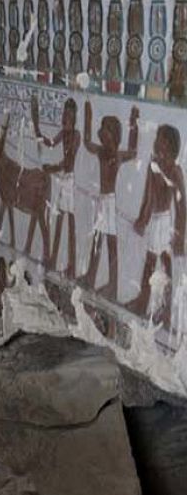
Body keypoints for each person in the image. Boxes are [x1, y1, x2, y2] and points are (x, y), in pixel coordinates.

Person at [79, 102, 139, 298]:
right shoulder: (102, 152)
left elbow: (133, 151)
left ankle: (113, 284)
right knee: (98, 238)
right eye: (102, 132)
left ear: (113, 135)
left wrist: (134, 124)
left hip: (109, 203)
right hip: (102, 202)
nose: (102, 135)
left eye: (105, 132)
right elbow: (87, 142)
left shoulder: (116, 155)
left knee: (110, 243)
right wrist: (87, 115)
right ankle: (91, 275)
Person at [126, 124, 184, 325]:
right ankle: (144, 303)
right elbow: (148, 195)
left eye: (159, 138)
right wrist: (143, 219)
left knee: (163, 264)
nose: (155, 141)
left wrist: (180, 234)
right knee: (152, 263)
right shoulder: (153, 164)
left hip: (165, 222)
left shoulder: (175, 170)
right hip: (156, 221)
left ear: (168, 143)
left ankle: (165, 309)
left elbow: (181, 203)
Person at [32, 97, 80, 275]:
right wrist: (38, 131)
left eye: (67, 116)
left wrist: (52, 168)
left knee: (69, 221)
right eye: (64, 115)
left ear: (73, 118)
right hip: (62, 178)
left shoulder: (75, 136)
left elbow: (68, 162)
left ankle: (72, 264)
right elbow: (51, 143)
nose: (64, 119)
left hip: (68, 179)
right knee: (59, 219)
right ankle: (53, 258)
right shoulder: (64, 133)